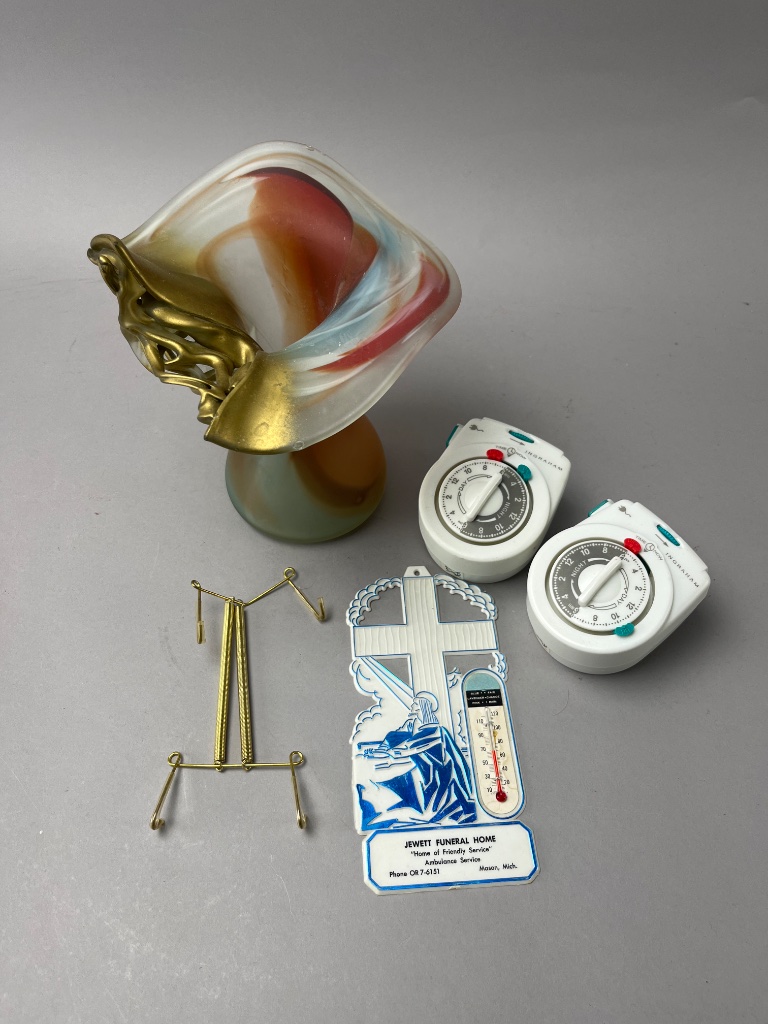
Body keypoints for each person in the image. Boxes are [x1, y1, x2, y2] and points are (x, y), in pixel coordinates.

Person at [360, 692, 476, 828]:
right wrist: (380, 750)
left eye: (416, 709)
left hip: (444, 776)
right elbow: (402, 740)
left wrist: (388, 753)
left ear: (424, 709)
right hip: (433, 776)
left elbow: (412, 748)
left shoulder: (435, 731)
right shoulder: (416, 728)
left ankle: (456, 811)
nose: (413, 712)